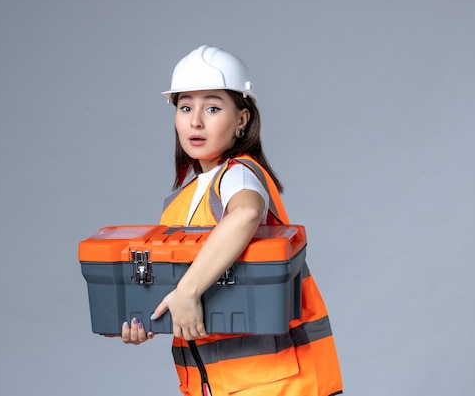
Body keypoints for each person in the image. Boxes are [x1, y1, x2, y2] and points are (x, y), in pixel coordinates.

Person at [120, 45, 343, 396]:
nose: (196, 121)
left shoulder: (237, 175)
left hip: (275, 384)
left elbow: (247, 213)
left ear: (242, 119)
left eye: (212, 107)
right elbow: (186, 288)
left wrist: (188, 291)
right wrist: (152, 319)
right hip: (221, 384)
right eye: (185, 107)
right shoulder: (179, 203)